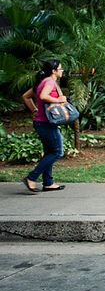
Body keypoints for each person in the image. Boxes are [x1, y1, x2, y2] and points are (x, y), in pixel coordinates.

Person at [20, 59, 68, 193]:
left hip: (42, 122)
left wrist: (34, 110)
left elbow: (26, 96)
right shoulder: (50, 82)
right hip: (46, 123)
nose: (62, 70)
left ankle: (48, 183)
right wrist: (58, 99)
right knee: (58, 152)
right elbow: (43, 96)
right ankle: (31, 177)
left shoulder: (42, 81)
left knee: (49, 152)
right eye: (60, 68)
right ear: (53, 71)